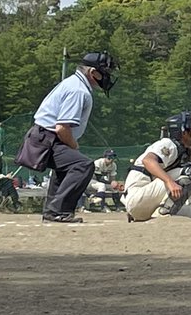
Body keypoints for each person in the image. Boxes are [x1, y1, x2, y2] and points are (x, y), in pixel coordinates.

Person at [15, 51, 117, 223]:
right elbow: (62, 128)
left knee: (67, 167)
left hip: (43, 137)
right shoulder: (78, 90)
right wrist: (73, 145)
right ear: (93, 72)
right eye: (105, 72)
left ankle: (52, 211)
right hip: (46, 139)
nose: (107, 77)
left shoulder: (74, 83)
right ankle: (58, 211)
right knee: (83, 165)